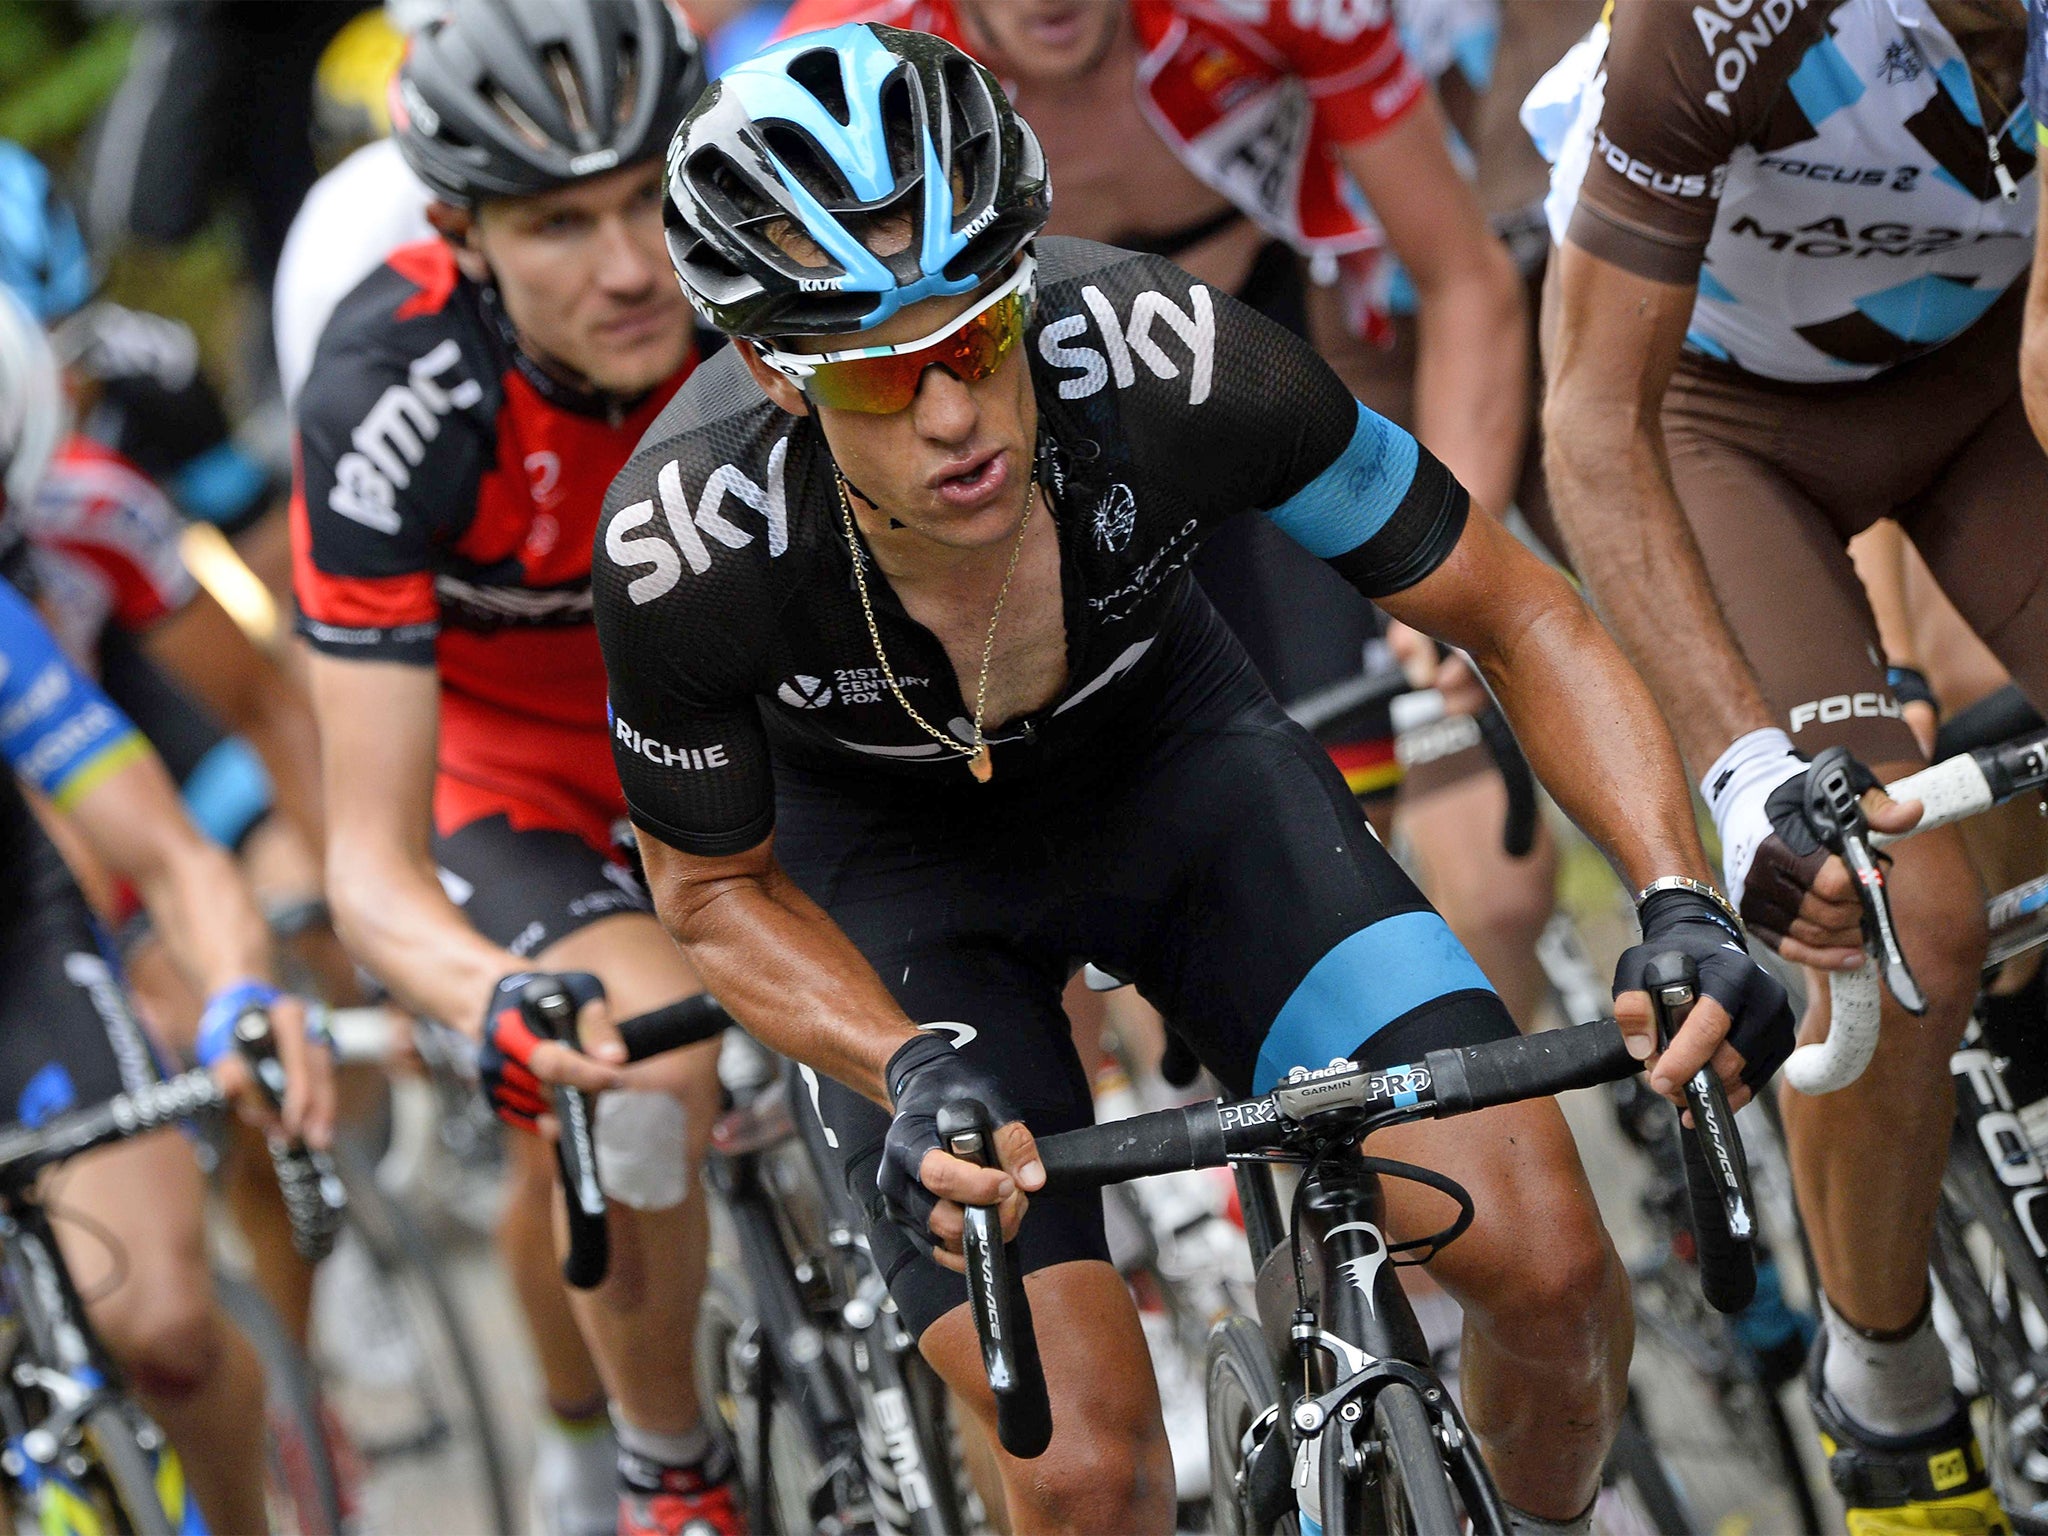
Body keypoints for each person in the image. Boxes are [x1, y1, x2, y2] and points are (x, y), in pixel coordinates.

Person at [599, 26, 1798, 1534]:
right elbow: (706, 891)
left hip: (1176, 770)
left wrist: (1675, 891)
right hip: (902, 885)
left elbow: (1518, 608)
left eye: (977, 335)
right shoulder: (684, 548)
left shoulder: (1169, 352)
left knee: (1555, 1269)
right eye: (879, 379)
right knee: (1091, 1472)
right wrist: (899, 1067)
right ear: (774, 370)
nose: (955, 414)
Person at [772, 0, 1568, 1025]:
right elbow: (799, 380)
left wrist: (1441, 581)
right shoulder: (853, 55)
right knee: (1153, 927)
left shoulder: (1266, 12)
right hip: (1027, 441)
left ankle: (1451, 1132)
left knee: (1487, 895)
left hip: (1275, 367)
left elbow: (1462, 279)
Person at [1531, 0, 2045, 1527]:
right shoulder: (1720, 23)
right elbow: (1593, 427)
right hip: (1717, 423)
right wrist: (1747, 772)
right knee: (1901, 918)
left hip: (1981, 393)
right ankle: (1884, 1380)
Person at [288, 3, 739, 1533]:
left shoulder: (777, 263)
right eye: (559, 223)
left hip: (765, 729)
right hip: (524, 783)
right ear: (464, 235)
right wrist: (487, 999)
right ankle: (661, 1465)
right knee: (643, 1077)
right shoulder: (386, 398)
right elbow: (367, 864)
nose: (630, 267)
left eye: (646, 200)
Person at [0, 283, 335, 1535]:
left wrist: (246, 987)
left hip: (23, 948)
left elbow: (174, 851)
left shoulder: (15, 619)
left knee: (166, 1326)